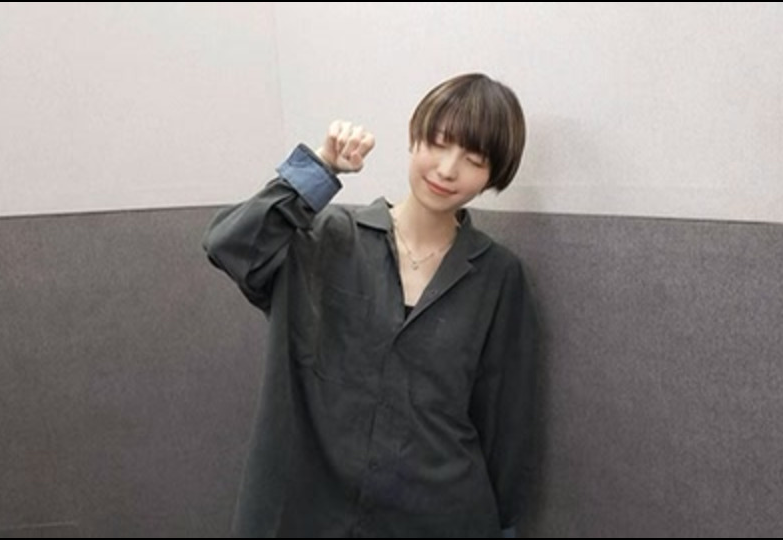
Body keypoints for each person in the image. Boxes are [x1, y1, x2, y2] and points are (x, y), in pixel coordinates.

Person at [202, 73, 540, 538]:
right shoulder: (325, 239)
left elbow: (506, 426)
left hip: (439, 515)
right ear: (414, 138)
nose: (447, 169)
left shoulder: (498, 276)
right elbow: (229, 246)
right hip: (311, 511)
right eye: (438, 144)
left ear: (493, 174)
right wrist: (320, 170)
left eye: (474, 159)